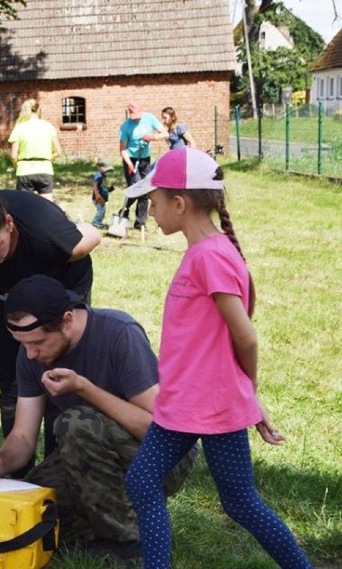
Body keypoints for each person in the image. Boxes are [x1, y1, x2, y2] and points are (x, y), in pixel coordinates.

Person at [123, 147, 313, 569]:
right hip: (192, 402)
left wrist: (249, 393)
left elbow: (245, 336)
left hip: (199, 405)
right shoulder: (210, 251)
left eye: (153, 203)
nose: (150, 212)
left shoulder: (209, 256)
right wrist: (242, 394)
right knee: (234, 500)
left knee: (226, 499)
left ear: (179, 203)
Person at [0, 275, 196, 553]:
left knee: (75, 423)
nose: (30, 354)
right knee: (30, 511)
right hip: (90, 453)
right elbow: (23, 436)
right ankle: (116, 517)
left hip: (164, 457)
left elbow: (162, 430)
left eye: (37, 343)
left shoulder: (119, 333)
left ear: (66, 321)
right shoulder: (31, 353)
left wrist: (85, 389)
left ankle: (129, 542)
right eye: (23, 343)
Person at [0, 179, 101, 475]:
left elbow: (91, 236)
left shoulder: (47, 234)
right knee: (9, 379)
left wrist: (72, 223)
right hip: (4, 295)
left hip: (60, 288)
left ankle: (56, 467)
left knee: (55, 374)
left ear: (9, 224)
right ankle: (17, 470)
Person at [118, 102, 167, 230]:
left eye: (138, 115)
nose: (136, 118)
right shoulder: (125, 126)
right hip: (130, 159)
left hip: (145, 159)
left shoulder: (149, 118)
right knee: (137, 187)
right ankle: (123, 210)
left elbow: (165, 133)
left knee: (145, 190)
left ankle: (140, 221)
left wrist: (152, 137)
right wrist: (129, 164)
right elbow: (122, 150)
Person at [8, 99, 63, 201]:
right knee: (47, 205)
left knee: (24, 205)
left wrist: (17, 165)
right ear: (39, 110)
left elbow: (13, 155)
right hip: (45, 169)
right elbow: (59, 151)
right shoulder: (48, 126)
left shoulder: (19, 128)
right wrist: (48, 159)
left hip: (24, 170)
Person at [91, 160, 114, 229]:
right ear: (99, 167)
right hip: (98, 197)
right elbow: (95, 185)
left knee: (102, 210)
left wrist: (109, 189)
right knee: (101, 210)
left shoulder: (103, 176)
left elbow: (103, 186)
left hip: (102, 197)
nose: (107, 171)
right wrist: (97, 195)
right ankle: (96, 222)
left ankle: (99, 222)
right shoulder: (98, 175)